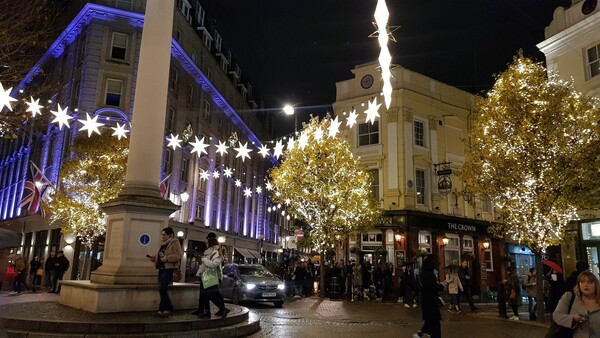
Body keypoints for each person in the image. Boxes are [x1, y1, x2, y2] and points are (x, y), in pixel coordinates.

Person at [552, 271, 600, 338]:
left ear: (596, 285)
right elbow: (557, 316)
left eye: (590, 282)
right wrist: (573, 319)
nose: (585, 285)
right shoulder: (569, 297)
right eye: (582, 282)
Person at [148, 227, 183, 317]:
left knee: (162, 287)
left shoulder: (174, 242)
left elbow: (179, 255)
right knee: (161, 287)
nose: (162, 236)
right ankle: (162, 309)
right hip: (161, 268)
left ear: (170, 235)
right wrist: (154, 258)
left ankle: (167, 307)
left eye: (164, 234)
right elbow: (160, 255)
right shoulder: (163, 244)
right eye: (162, 234)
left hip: (169, 268)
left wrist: (167, 258)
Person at [192, 235, 229, 319]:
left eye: (207, 242)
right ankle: (207, 311)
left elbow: (213, 264)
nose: (205, 244)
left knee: (209, 294)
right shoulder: (208, 253)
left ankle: (222, 309)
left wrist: (204, 260)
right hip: (205, 274)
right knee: (205, 294)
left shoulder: (216, 252)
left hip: (211, 275)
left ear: (211, 244)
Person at [413, 256, 444, 338]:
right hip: (431, 301)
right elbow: (434, 287)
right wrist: (441, 286)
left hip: (424, 300)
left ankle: (421, 333)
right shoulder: (430, 275)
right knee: (435, 323)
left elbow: (417, 287)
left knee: (429, 320)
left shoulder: (420, 275)